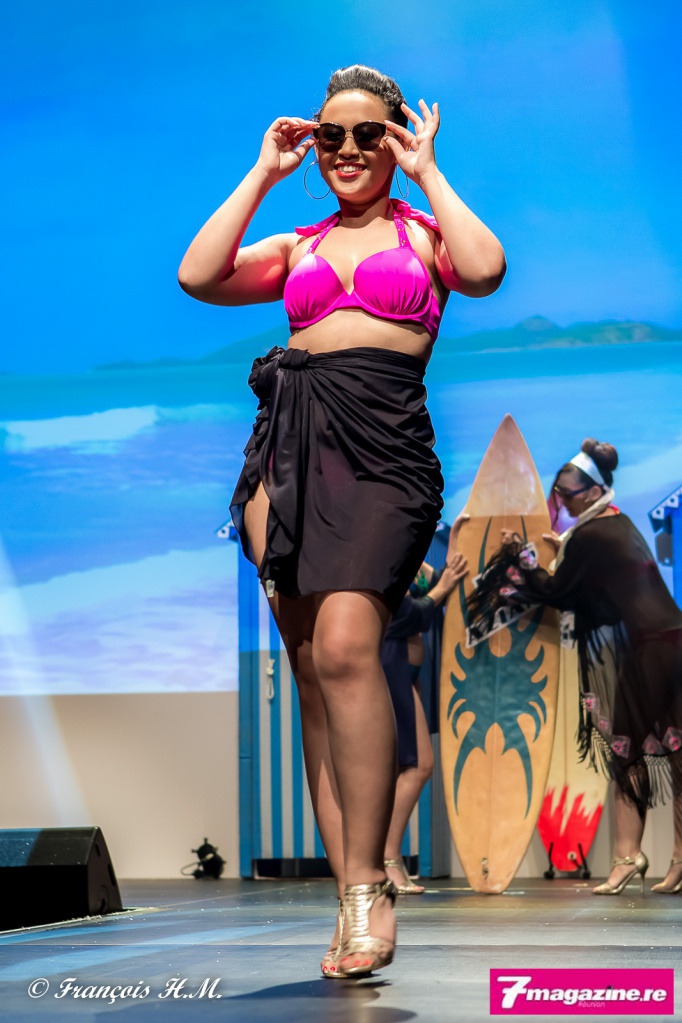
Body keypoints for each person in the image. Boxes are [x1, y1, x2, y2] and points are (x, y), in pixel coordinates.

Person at [178, 63, 505, 977]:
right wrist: (263, 171)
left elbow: (485, 270)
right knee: (315, 678)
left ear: (395, 140)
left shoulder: (425, 233)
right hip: (289, 459)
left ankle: (371, 886)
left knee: (351, 646)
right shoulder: (300, 244)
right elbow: (198, 274)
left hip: (386, 455)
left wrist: (429, 170)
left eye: (369, 134)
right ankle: (351, 891)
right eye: (332, 136)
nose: (348, 150)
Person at [467, 438, 682, 896]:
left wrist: (519, 557)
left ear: (592, 491)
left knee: (626, 752)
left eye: (567, 494)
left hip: (651, 650)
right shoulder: (615, 521)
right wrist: (560, 550)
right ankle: (676, 858)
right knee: (675, 752)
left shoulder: (589, 535)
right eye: (560, 493)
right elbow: (597, 584)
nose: (561, 500)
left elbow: (556, 592)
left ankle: (627, 857)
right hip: (671, 640)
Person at [382, 517, 468, 894]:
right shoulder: (385, 557)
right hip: (390, 663)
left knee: (410, 765)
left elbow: (444, 583)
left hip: (407, 669)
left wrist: (456, 540)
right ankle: (387, 857)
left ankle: (387, 857)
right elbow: (405, 616)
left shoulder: (411, 558)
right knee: (416, 765)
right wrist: (443, 587)